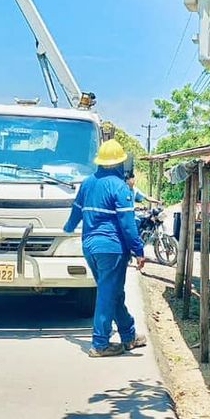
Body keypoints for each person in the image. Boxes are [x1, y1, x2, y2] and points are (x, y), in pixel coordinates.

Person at [64, 139, 147, 357]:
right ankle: (100, 344)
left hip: (90, 247)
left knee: (113, 292)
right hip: (112, 249)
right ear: (120, 163)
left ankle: (129, 335)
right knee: (107, 294)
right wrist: (139, 251)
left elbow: (76, 212)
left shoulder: (87, 183)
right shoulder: (120, 187)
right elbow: (128, 226)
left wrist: (67, 229)